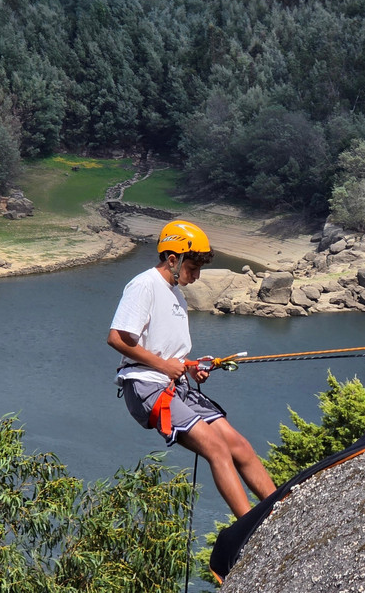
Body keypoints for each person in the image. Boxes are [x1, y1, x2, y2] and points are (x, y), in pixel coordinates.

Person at [107, 220, 276, 517]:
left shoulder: (177, 295)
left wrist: (190, 367)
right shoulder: (145, 284)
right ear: (173, 259)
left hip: (174, 384)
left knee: (239, 445)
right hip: (146, 384)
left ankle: (279, 509)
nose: (197, 276)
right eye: (192, 268)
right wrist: (164, 365)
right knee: (216, 448)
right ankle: (249, 525)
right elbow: (117, 338)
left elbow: (167, 351)